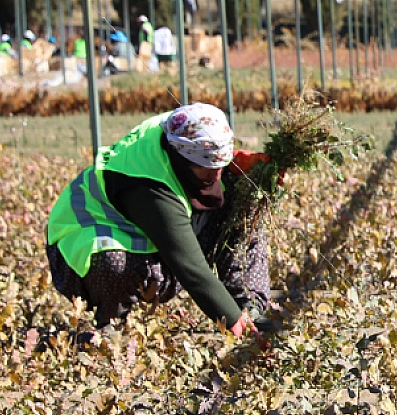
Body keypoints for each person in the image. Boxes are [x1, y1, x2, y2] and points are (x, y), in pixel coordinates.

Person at [45, 103, 270, 335]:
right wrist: (230, 320)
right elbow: (189, 265)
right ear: (185, 160)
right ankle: (111, 329)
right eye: (207, 168)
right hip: (77, 250)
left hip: (146, 237)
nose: (216, 175)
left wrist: (235, 164)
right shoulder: (148, 187)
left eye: (219, 166)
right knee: (113, 262)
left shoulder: (183, 129)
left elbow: (207, 150)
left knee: (244, 210)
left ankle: (249, 308)